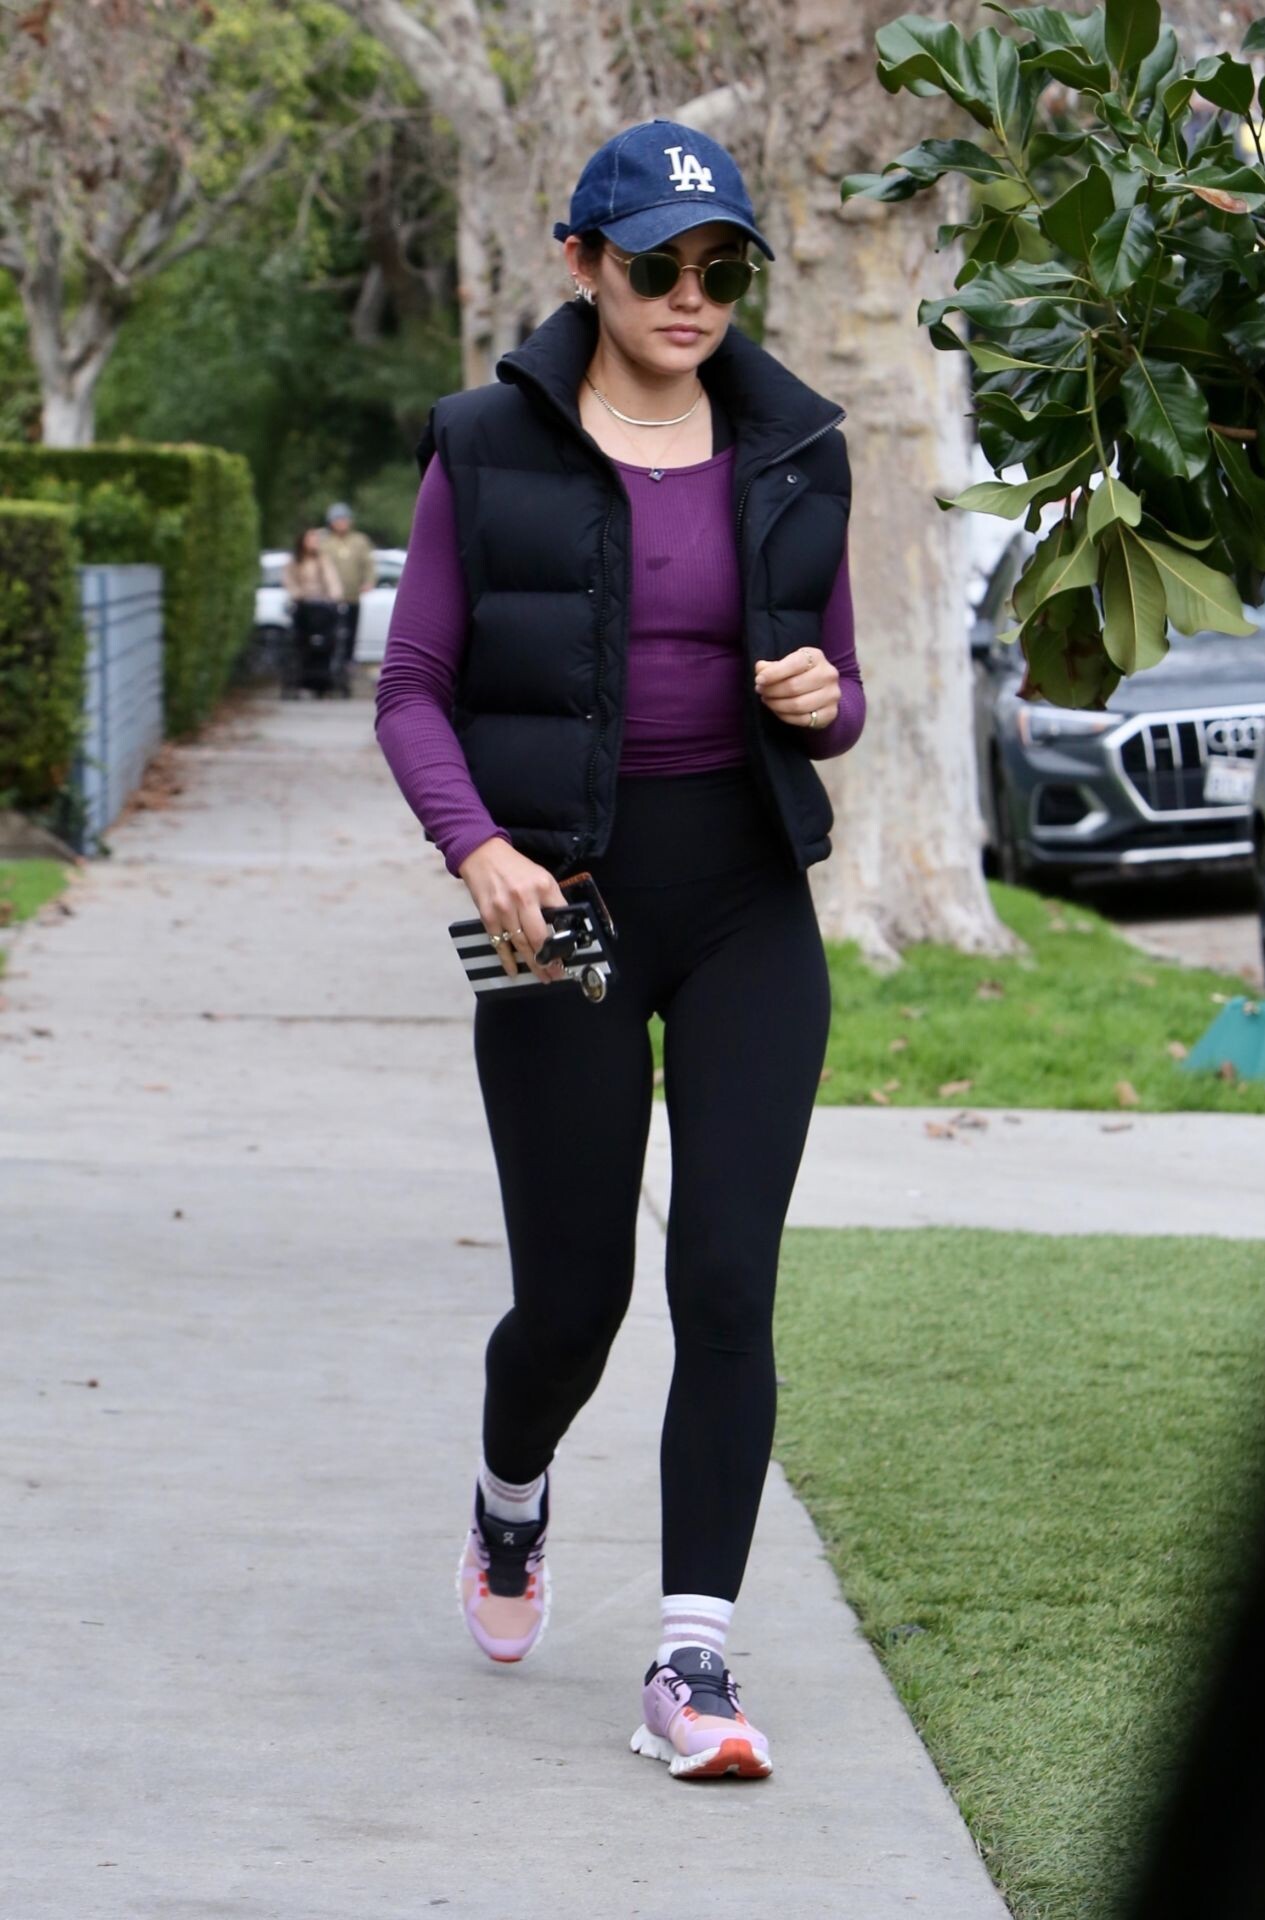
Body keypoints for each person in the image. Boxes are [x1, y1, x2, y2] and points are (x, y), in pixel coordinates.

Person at [374, 117, 867, 1782]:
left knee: (725, 1277)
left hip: (744, 904)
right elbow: (413, 689)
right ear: (583, 262)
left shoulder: (798, 447)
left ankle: (692, 1662)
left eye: (722, 268)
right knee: (572, 1305)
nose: (690, 295)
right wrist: (481, 850)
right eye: (656, 263)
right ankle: (509, 1497)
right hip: (560, 913)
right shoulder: (482, 444)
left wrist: (823, 697)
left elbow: (842, 692)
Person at [282, 528, 345, 695]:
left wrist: (334, 596)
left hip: (323, 606)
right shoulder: (294, 561)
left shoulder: (323, 560)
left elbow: (332, 580)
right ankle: (303, 680)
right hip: (303, 607)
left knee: (328, 640)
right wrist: (298, 595)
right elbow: (290, 582)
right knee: (302, 642)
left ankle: (324, 681)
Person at [319, 502, 376, 666]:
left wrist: (368, 582)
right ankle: (328, 661)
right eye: (338, 520)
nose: (342, 523)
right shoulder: (325, 542)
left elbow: (368, 564)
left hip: (352, 595)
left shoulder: (359, 541)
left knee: (351, 629)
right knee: (330, 629)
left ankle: (348, 662)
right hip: (329, 597)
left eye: (345, 519)